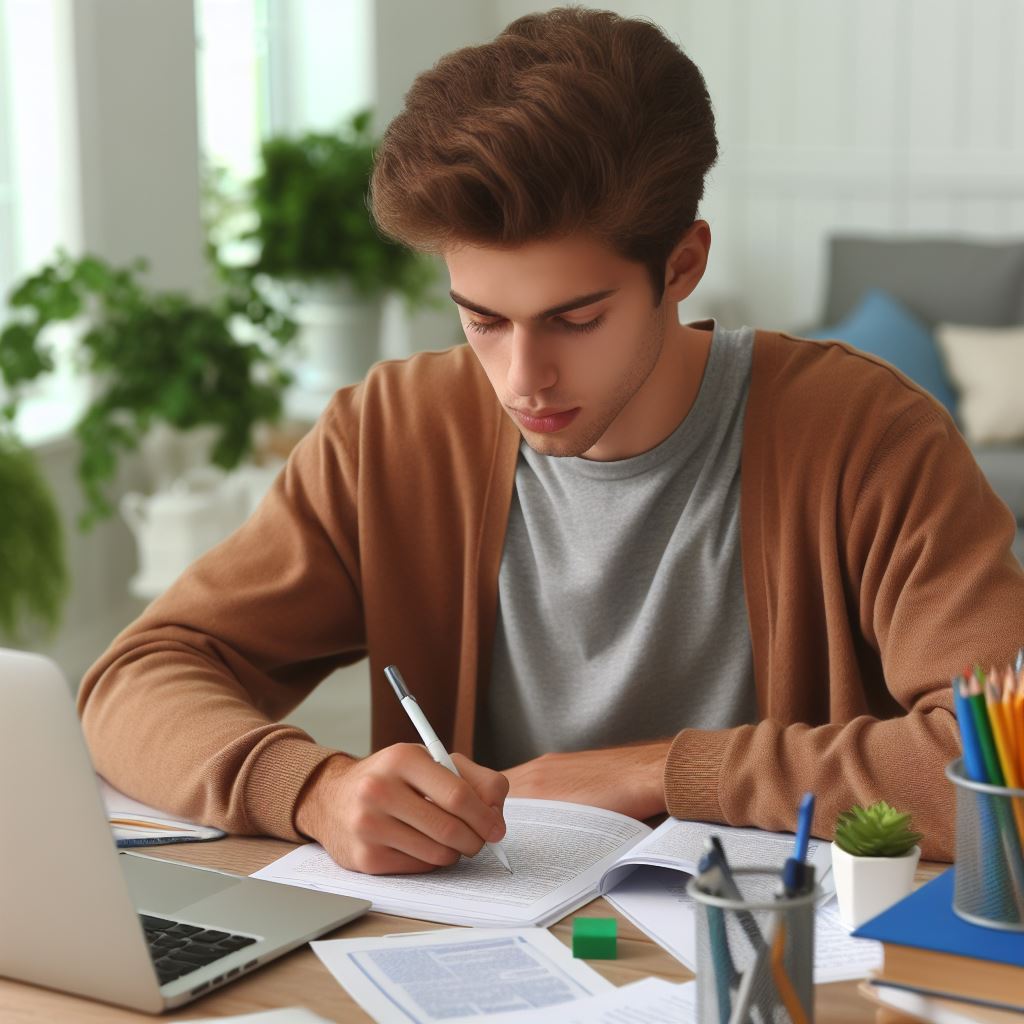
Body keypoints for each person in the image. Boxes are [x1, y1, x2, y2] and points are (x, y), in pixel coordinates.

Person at [79, 7, 1024, 869]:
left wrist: (664, 773)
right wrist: (313, 789)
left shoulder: (869, 435)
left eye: (575, 320)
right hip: (466, 965)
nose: (521, 379)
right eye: (483, 319)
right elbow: (137, 678)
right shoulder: (390, 434)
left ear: (682, 264)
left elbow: (1004, 763)